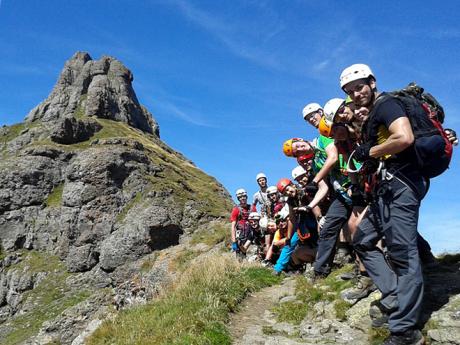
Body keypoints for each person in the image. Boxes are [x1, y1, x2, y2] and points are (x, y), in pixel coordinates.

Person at [340, 63, 426, 345]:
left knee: (403, 253)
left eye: (359, 87)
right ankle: (394, 296)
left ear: (372, 82)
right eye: (350, 91)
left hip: (400, 185)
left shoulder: (387, 104)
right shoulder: (373, 113)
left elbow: (404, 138)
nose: (356, 94)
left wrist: (370, 152)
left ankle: (405, 330)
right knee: (362, 240)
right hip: (384, 190)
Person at [272, 178, 318, 275]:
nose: (288, 192)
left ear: (292, 185)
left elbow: (315, 207)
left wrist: (319, 219)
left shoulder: (305, 192)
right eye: (285, 192)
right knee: (289, 244)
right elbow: (292, 219)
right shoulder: (290, 202)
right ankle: (277, 269)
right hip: (301, 225)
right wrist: (288, 236)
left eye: (288, 189)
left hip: (313, 221)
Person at [230, 189, 252, 257]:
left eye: (244, 196)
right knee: (240, 256)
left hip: (250, 234)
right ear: (238, 199)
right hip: (240, 236)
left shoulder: (252, 208)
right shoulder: (236, 210)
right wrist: (234, 242)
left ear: (246, 197)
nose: (242, 198)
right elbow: (233, 226)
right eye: (240, 197)